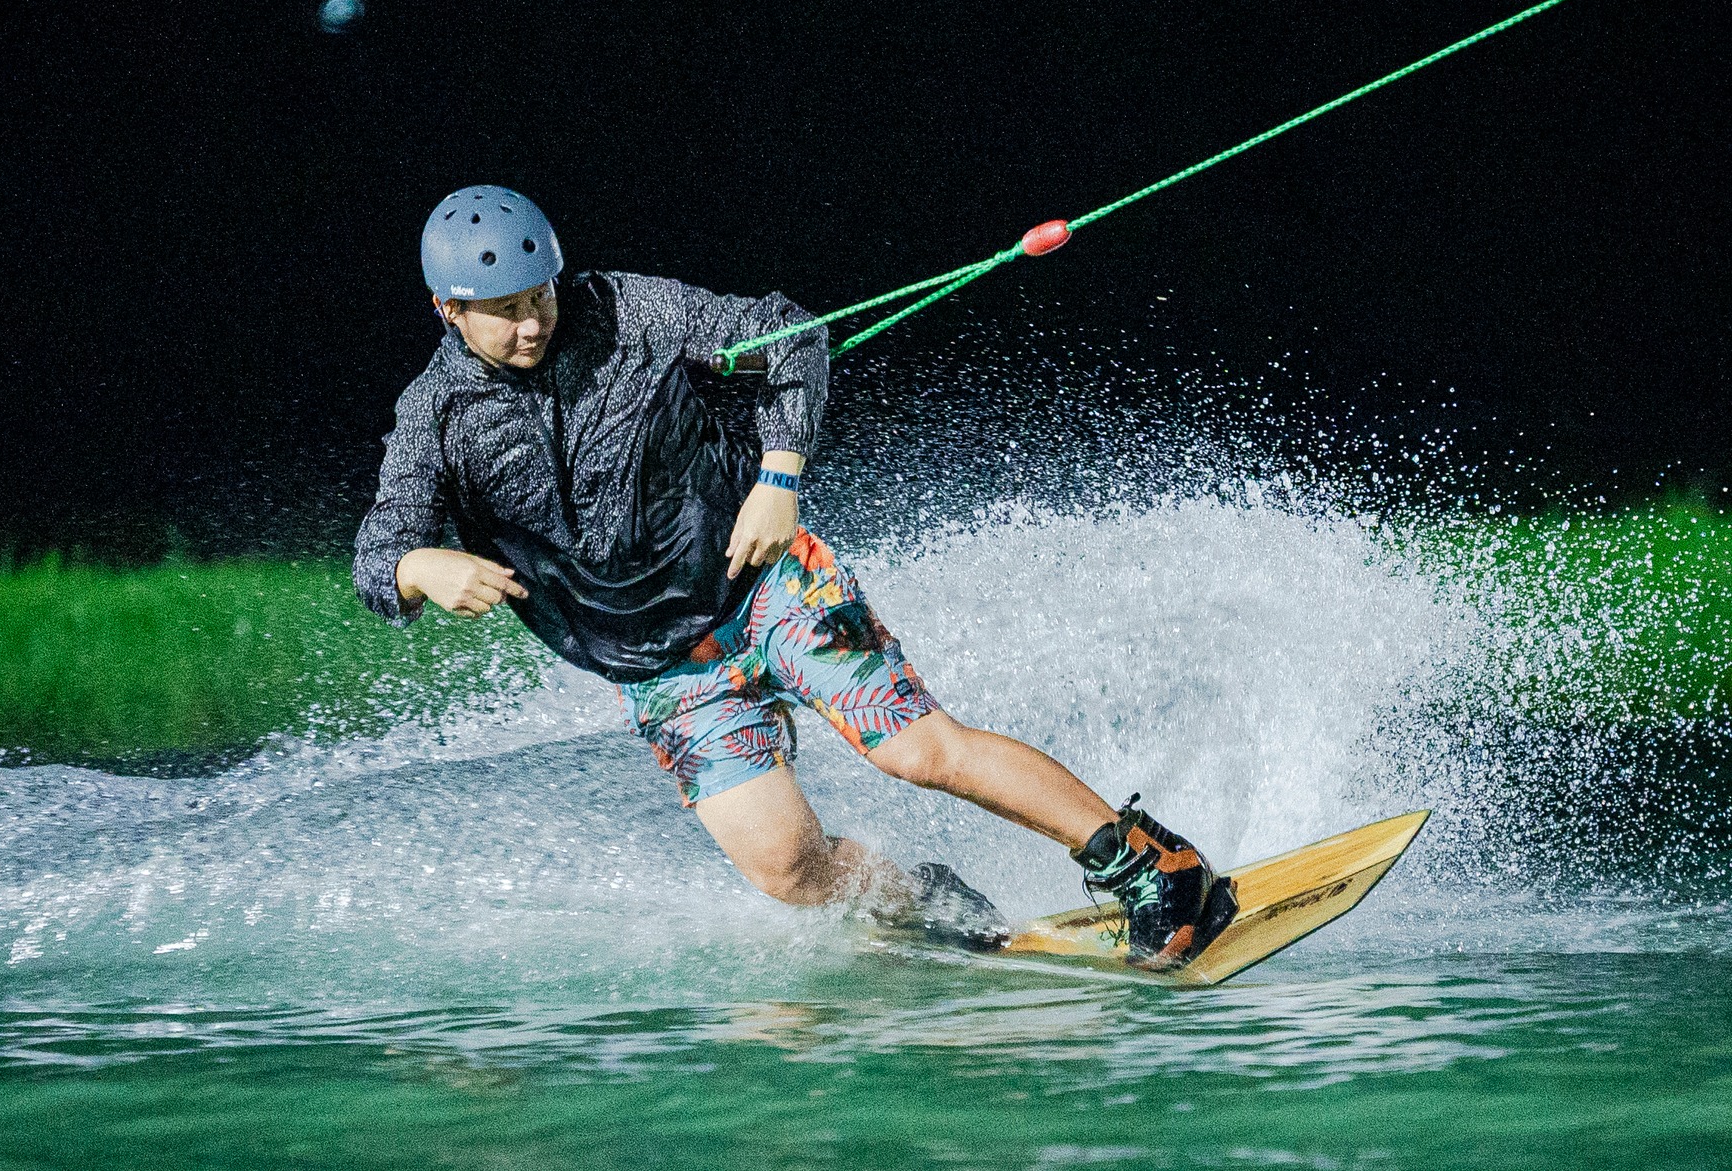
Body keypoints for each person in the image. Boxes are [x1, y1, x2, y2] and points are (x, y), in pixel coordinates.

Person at [354, 186, 1236, 967]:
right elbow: (378, 549)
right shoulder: (436, 417)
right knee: (788, 868)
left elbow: (793, 336)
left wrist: (779, 478)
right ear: (448, 310)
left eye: (539, 294)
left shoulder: (629, 312)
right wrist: (418, 564)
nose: (534, 323)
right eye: (504, 310)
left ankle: (1154, 867)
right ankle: (927, 901)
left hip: (768, 587)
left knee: (918, 751)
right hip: (665, 673)